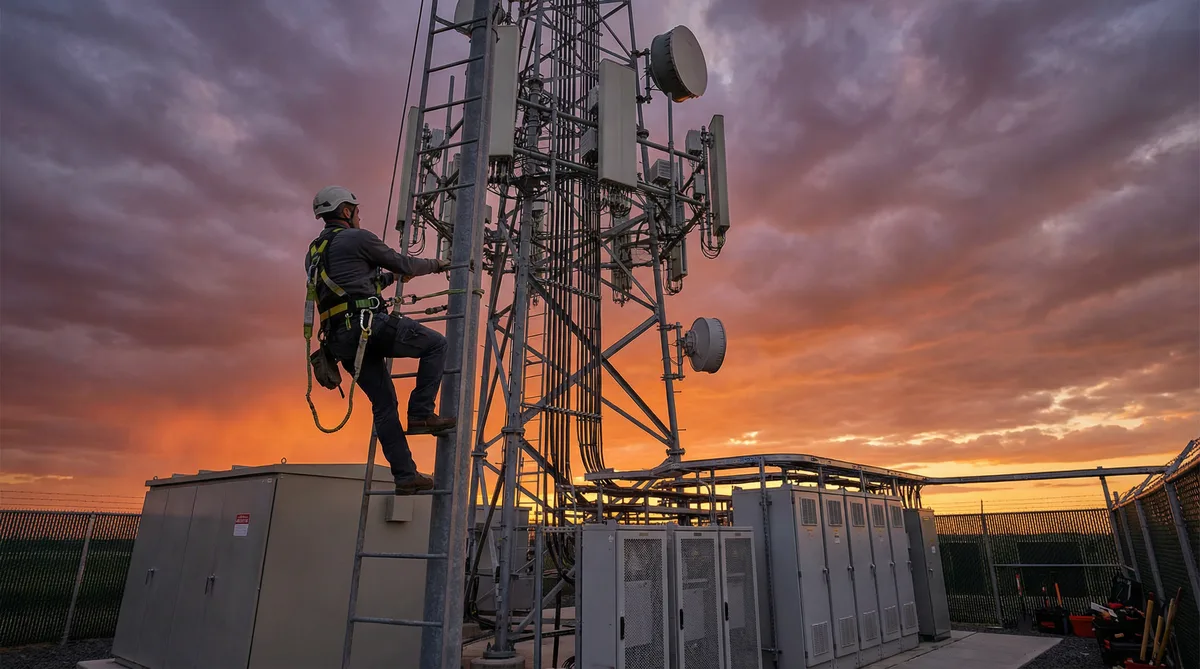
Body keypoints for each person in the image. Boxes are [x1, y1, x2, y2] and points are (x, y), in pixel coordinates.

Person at [306, 185, 456, 494]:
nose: (359, 216)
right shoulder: (357, 238)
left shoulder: (314, 252)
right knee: (436, 344)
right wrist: (436, 265)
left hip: (340, 340)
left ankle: (405, 477)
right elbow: (404, 263)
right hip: (368, 325)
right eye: (356, 211)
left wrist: (391, 278)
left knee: (384, 405)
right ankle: (421, 413)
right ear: (345, 211)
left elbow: (352, 284)